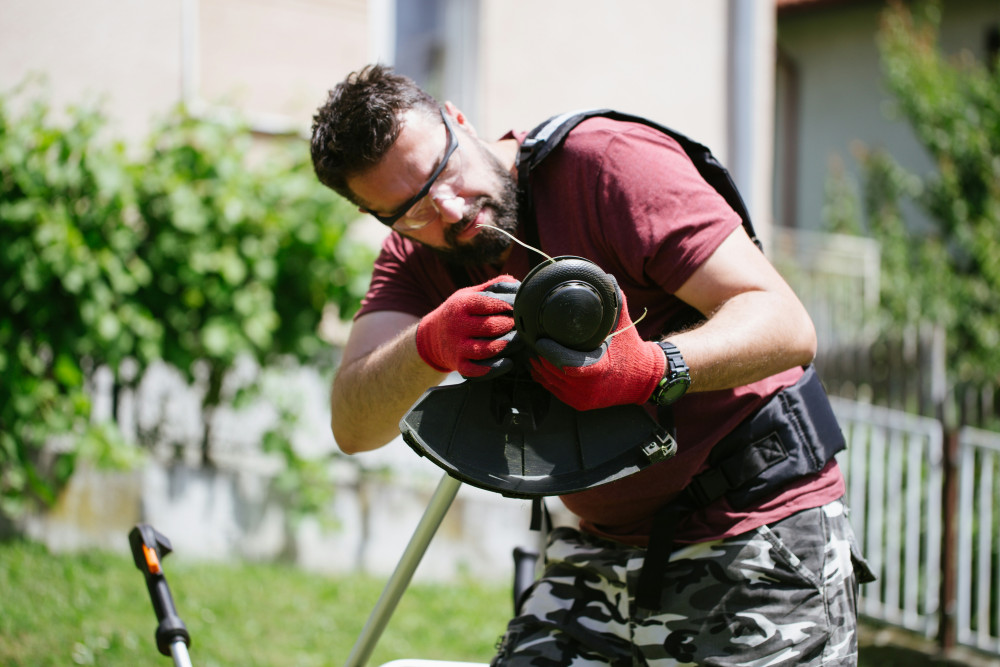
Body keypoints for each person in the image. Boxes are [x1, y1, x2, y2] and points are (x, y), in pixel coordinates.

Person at [311, 64, 872, 666]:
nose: (448, 211)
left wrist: (650, 368)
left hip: (754, 525)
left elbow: (787, 324)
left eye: (442, 170)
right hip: (599, 550)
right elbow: (354, 425)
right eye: (410, 209)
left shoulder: (607, 164)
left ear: (458, 121)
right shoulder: (415, 252)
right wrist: (427, 345)